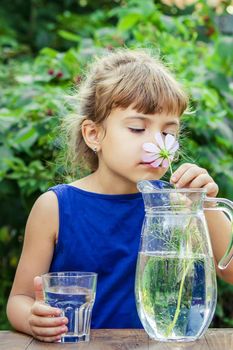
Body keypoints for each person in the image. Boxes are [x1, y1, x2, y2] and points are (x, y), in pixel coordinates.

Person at [7, 49, 233, 342]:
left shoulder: (178, 204)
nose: (156, 142)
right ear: (93, 135)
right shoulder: (56, 207)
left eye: (169, 132)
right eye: (138, 128)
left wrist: (207, 206)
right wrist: (32, 317)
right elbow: (19, 299)